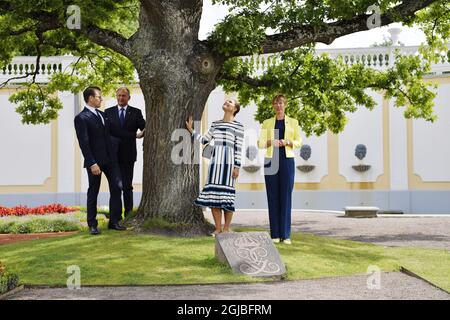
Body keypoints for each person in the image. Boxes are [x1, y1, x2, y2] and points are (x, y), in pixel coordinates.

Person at [185, 99, 244, 236]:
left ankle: (226, 229)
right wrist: (191, 130)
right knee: (213, 197)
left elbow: (238, 148)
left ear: (235, 109)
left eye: (230, 102)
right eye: (226, 101)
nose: (226, 102)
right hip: (215, 164)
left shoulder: (238, 126)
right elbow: (205, 140)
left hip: (229, 165)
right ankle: (218, 229)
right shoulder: (215, 124)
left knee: (227, 198)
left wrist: (237, 166)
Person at [74, 86, 126, 235]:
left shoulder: (102, 115)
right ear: (90, 98)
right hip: (95, 162)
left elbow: (115, 131)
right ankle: (92, 225)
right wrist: (92, 163)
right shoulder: (81, 118)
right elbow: (84, 142)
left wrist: (135, 134)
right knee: (93, 192)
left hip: (110, 160)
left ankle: (114, 221)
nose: (101, 99)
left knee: (117, 187)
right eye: (99, 97)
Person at [258, 95, 302, 244]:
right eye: (276, 103)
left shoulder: (293, 122)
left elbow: (299, 141)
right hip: (271, 160)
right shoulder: (267, 123)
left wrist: (288, 142)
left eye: (281, 103)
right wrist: (270, 141)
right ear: (273, 105)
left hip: (287, 159)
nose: (278, 105)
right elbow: (260, 143)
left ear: (285, 105)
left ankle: (286, 235)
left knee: (286, 196)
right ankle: (275, 234)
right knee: (273, 196)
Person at [105, 87, 145, 220]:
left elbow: (144, 126)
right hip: (113, 156)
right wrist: (134, 135)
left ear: (129, 98)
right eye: (119, 96)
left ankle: (128, 215)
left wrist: (143, 132)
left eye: (124, 96)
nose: (121, 98)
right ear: (116, 97)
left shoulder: (135, 112)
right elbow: (109, 132)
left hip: (128, 155)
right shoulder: (108, 112)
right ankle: (115, 217)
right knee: (115, 187)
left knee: (127, 187)